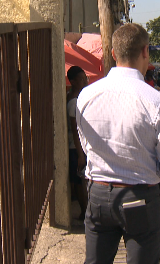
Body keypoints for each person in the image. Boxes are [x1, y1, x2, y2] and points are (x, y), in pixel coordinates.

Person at [76, 23, 160, 264]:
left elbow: (87, 146)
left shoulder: (86, 95)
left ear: (113, 54)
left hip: (99, 195)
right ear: (146, 51)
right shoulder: (156, 102)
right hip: (141, 197)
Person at [66, 66, 88, 220]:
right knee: (80, 182)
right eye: (81, 79)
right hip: (75, 147)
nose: (85, 82)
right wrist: (80, 154)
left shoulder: (72, 98)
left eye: (85, 78)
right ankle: (84, 210)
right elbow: (74, 130)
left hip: (76, 146)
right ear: (72, 82)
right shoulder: (74, 102)